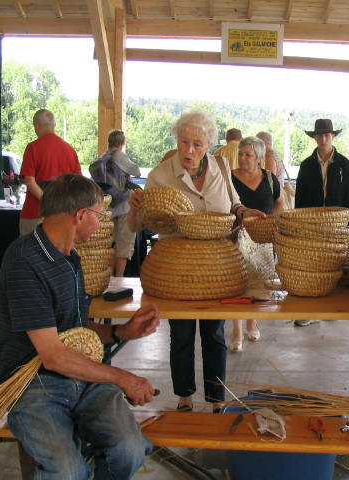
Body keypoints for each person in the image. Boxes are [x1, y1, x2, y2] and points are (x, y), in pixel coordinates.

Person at [0, 173, 160, 479]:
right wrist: (122, 377)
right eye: (99, 216)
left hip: (84, 377)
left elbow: (77, 329)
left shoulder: (70, 257)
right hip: (34, 386)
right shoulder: (24, 260)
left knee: (129, 449)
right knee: (67, 471)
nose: (101, 225)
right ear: (81, 215)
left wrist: (122, 332)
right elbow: (54, 355)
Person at [128, 110, 265, 412]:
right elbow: (138, 227)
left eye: (198, 144)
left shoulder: (220, 166)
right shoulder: (161, 175)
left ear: (209, 145)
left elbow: (234, 204)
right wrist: (135, 210)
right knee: (182, 335)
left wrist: (246, 212)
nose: (189, 150)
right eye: (184, 142)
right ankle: (184, 398)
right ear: (177, 141)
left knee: (214, 335)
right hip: (177, 271)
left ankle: (217, 400)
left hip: (218, 267)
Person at [294, 118, 349, 326]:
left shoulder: (345, 166)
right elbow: (299, 199)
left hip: (337, 226)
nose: (322, 138)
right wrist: (299, 226)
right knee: (311, 267)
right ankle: (309, 311)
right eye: (319, 135)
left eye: (326, 134)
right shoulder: (306, 165)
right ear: (315, 138)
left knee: (333, 266)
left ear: (333, 136)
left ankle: (330, 308)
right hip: (311, 225)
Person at [229, 136, 283, 352]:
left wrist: (275, 224)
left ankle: (253, 321)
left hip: (262, 241)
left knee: (259, 283)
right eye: (241, 154)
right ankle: (237, 330)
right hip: (235, 238)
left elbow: (279, 202)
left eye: (248, 154)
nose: (243, 158)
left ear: (259, 157)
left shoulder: (270, 179)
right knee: (236, 283)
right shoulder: (230, 178)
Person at [19, 109, 82, 237]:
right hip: (63, 214)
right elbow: (78, 184)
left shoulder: (33, 148)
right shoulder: (69, 150)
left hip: (35, 213)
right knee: (57, 254)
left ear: (37, 126)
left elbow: (29, 180)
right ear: (54, 125)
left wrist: (47, 200)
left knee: (29, 254)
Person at [89, 129, 141, 277]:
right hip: (124, 206)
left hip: (109, 206)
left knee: (111, 244)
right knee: (124, 245)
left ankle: (110, 278)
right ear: (122, 143)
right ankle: (119, 278)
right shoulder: (119, 155)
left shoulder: (103, 157)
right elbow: (137, 171)